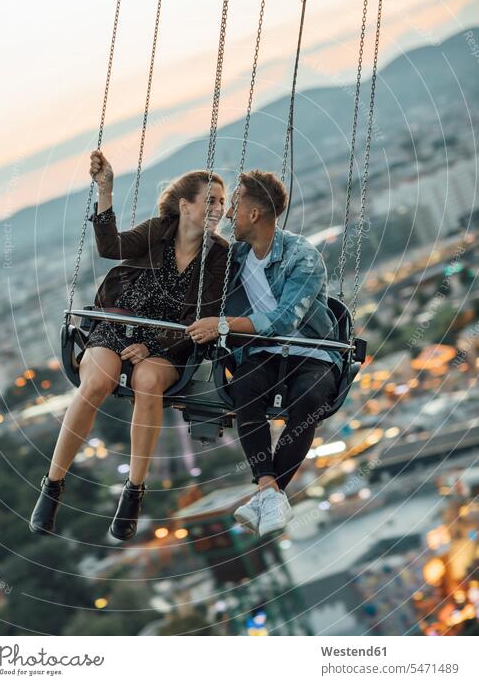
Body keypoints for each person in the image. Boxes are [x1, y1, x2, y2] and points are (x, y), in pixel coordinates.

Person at [29, 150, 228, 540]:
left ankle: (134, 490)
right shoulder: (157, 231)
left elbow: (200, 314)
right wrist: (105, 192)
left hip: (171, 342)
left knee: (149, 382)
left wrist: (152, 343)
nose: (219, 208)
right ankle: (52, 486)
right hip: (120, 323)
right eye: (211, 200)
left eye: (223, 201)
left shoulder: (219, 255)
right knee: (97, 382)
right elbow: (111, 248)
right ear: (185, 205)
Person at [187, 169, 342, 537]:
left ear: (253, 214)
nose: (228, 214)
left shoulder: (302, 256)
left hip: (312, 349)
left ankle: (265, 490)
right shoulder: (234, 257)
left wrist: (222, 324)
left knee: (311, 397)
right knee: (244, 387)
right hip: (262, 352)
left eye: (234, 205)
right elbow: (191, 254)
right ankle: (270, 492)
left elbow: (285, 320)